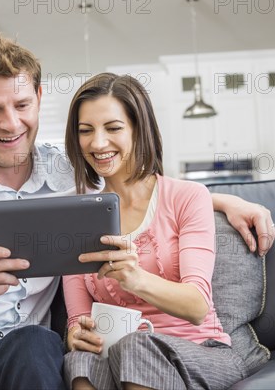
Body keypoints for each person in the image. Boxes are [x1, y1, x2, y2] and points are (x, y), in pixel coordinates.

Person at [0, 32, 275, 390]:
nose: (11, 123)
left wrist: (224, 198)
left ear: (39, 99)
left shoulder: (70, 170)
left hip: (16, 363)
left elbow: (139, 186)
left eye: (22, 105)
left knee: (38, 341)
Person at [63, 73, 257, 390]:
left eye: (113, 128)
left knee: (136, 346)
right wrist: (78, 335)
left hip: (201, 353)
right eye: (86, 131)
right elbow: (77, 320)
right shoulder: (74, 215)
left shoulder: (187, 197)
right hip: (117, 355)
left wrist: (134, 277)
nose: (97, 143)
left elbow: (197, 307)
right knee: (79, 360)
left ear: (139, 130)